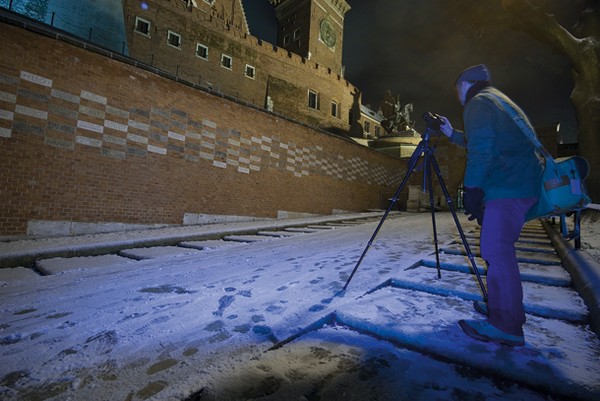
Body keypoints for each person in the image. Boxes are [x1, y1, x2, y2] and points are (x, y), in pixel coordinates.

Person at [439, 64, 543, 346]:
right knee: (499, 249)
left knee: (496, 249)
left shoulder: (478, 103)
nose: (456, 95)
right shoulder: (495, 99)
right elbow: (486, 140)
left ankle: (506, 324)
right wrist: (452, 134)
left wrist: (471, 189)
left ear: (465, 84)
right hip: (520, 183)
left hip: (508, 186)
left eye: (456, 88)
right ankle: (502, 308)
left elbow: (482, 150)